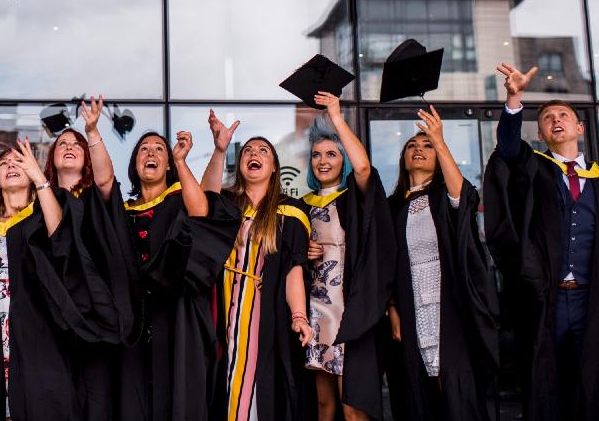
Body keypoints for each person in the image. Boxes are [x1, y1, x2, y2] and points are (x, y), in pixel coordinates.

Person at [484, 63, 599, 421]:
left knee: (597, 387)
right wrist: (514, 98)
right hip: (546, 300)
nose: (555, 120)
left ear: (579, 127)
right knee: (548, 387)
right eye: (547, 118)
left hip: (596, 300)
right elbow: (507, 146)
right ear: (541, 133)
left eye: (563, 114)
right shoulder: (533, 170)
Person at [0, 138, 113, 420]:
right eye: (4, 164)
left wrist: (40, 179)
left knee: (43, 403)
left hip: (39, 332)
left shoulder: (41, 216)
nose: (11, 165)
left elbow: (60, 236)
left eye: (19, 162)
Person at [116, 129, 239, 421]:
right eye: (144, 149)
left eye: (159, 149)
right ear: (135, 163)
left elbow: (201, 213)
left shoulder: (180, 200)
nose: (151, 153)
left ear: (168, 164)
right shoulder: (122, 212)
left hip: (178, 315)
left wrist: (183, 160)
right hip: (136, 319)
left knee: (179, 393)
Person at [385, 106, 498, 420]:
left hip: (450, 304)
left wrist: (440, 139)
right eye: (412, 146)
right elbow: (384, 263)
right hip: (411, 304)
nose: (419, 149)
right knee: (418, 383)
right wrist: (392, 307)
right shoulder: (393, 207)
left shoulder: (444, 198)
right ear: (403, 159)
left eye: (426, 146)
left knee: (455, 381)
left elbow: (463, 195)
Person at [207, 110, 316, 421]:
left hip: (265, 311)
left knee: (261, 388)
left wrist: (299, 315)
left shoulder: (290, 212)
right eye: (247, 151)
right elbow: (202, 199)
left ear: (274, 167)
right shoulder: (226, 205)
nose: (253, 154)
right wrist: (219, 149)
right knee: (226, 381)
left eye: (262, 151)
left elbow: (295, 268)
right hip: (225, 308)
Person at [303, 91, 394, 421]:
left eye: (331, 154)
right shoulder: (301, 205)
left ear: (342, 159)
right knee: (323, 404)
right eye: (316, 155)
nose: (323, 160)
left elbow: (364, 167)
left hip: (350, 311)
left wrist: (337, 118)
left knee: (352, 403)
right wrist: (303, 252)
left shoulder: (352, 197)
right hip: (315, 311)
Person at [40, 98, 131, 420]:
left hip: (97, 314)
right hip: (52, 316)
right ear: (50, 158)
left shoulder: (95, 198)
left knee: (97, 400)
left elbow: (105, 179)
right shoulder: (39, 202)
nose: (68, 146)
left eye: (75, 144)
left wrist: (91, 131)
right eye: (61, 143)